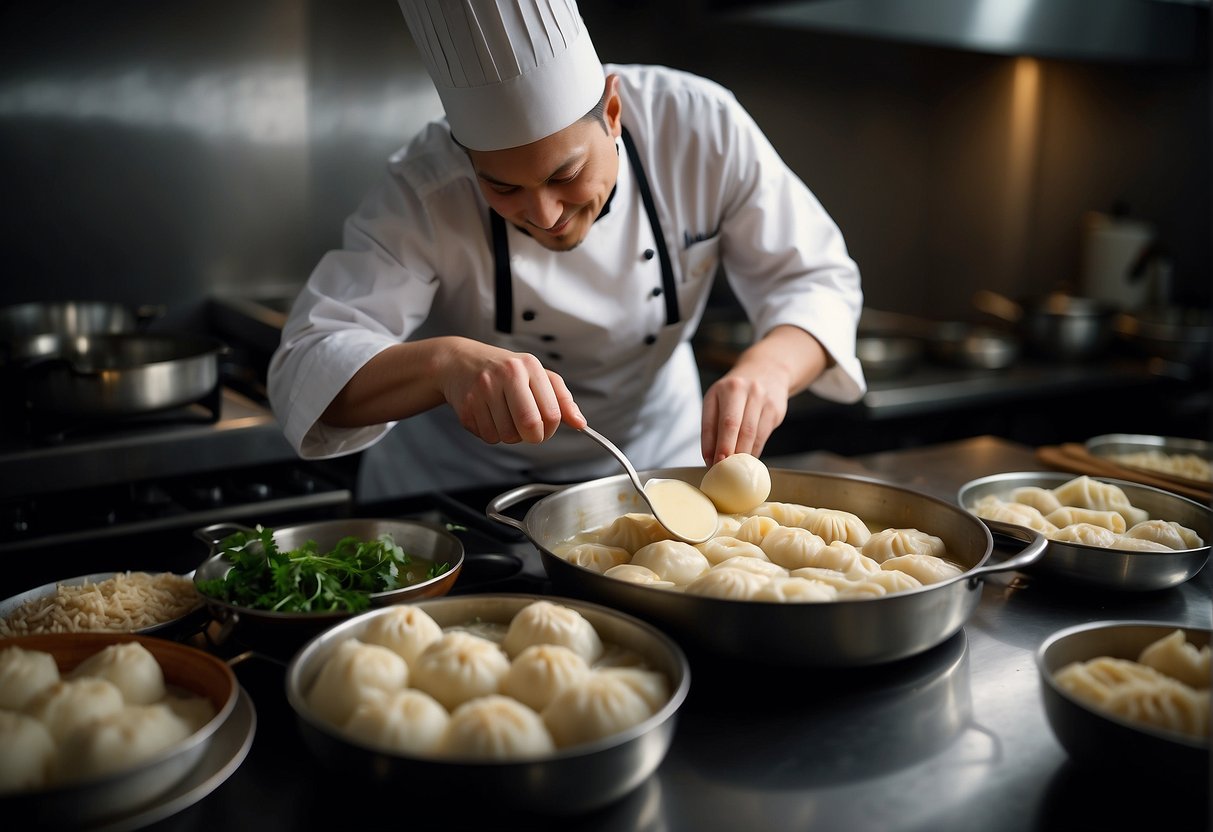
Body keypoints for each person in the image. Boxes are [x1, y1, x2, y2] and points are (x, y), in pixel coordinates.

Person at [268, 0, 866, 502]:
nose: (545, 214)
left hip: (658, 476)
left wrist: (769, 370)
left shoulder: (700, 128)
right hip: (458, 495)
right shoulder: (424, 189)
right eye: (502, 187)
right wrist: (442, 365)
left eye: (566, 174)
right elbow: (306, 364)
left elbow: (816, 280)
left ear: (612, 112)